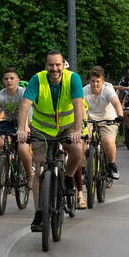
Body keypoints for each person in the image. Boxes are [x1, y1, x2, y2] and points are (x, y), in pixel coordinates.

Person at [16, 50, 85, 233]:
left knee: (78, 150)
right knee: (39, 166)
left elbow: (78, 104)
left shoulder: (73, 79)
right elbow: (25, 104)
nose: (54, 68)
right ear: (46, 66)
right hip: (42, 129)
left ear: (63, 65)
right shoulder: (37, 79)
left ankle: (69, 177)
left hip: (67, 126)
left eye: (58, 65)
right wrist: (22, 129)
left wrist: (78, 130)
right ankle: (39, 213)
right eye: (51, 65)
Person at [0, 67, 30, 186]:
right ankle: (0, 174)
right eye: (6, 79)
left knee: (22, 147)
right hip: (8, 121)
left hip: (23, 120)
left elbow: (27, 110)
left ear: (18, 81)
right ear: (3, 81)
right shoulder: (0, 95)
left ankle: (30, 174)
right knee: (1, 142)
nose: (9, 81)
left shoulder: (23, 93)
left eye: (12, 78)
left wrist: (25, 127)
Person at [83, 66, 124, 183]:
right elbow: (78, 106)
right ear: (89, 81)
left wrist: (120, 115)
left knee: (107, 140)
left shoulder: (108, 90)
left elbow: (116, 103)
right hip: (89, 120)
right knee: (82, 140)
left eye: (98, 81)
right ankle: (83, 169)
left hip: (108, 120)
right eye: (92, 81)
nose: (95, 84)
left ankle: (112, 166)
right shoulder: (84, 90)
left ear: (103, 81)